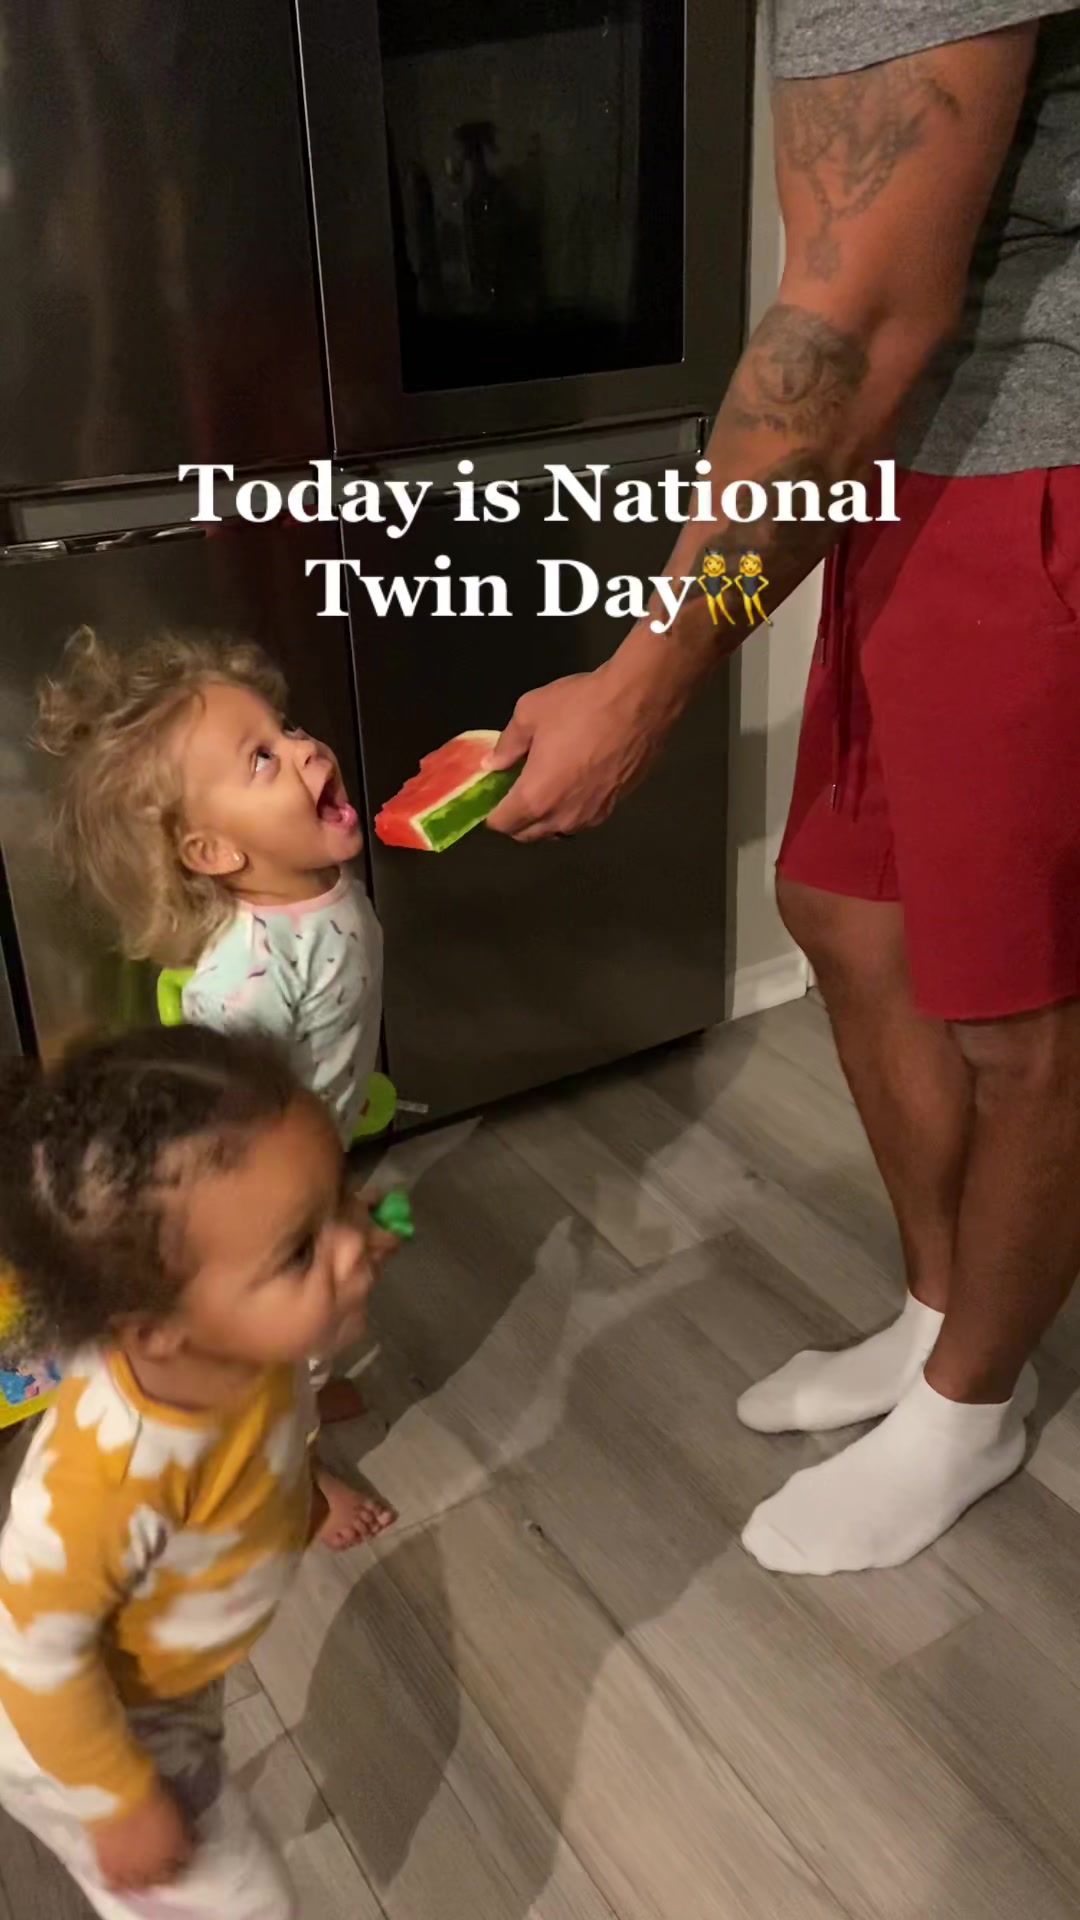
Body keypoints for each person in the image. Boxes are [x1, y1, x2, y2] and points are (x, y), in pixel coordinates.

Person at [484, 3, 1080, 1574]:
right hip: (908, 466)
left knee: (1020, 1011)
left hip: (1045, 470)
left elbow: (859, 319)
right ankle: (940, 1315)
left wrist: (638, 687)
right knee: (841, 905)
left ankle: (974, 1405)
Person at [0, 1024, 396, 1916]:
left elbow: (267, 1439)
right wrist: (117, 1799)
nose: (355, 1240)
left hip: (172, 1663)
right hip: (86, 1728)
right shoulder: (108, 1482)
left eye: (341, 1195)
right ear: (157, 1330)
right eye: (301, 1250)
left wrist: (348, 1231)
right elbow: (28, 1652)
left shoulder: (234, 1336)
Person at [37, 628, 390, 1549]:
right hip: (262, 1200)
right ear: (214, 851)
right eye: (263, 758)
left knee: (326, 1318)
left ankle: (309, 1387)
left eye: (289, 729)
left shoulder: (314, 882)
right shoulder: (247, 979)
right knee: (287, 1343)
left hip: (318, 1146)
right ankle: (297, 1486)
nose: (307, 750)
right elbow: (224, 1133)